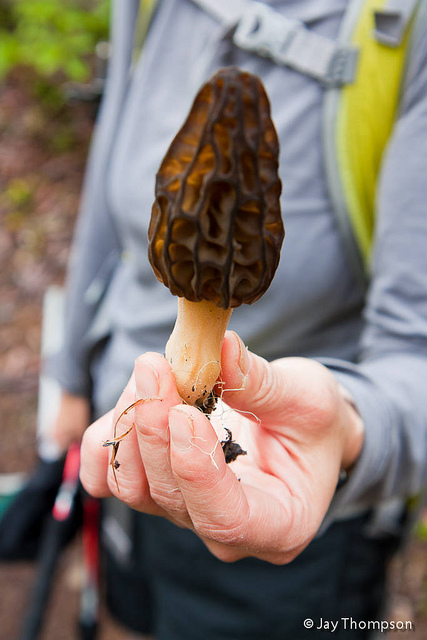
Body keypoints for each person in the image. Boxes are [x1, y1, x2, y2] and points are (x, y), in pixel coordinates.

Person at [51, 0, 427, 638]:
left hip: (282, 488)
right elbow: (102, 196)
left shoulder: (405, 26)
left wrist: (351, 426)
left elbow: (415, 345)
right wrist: (69, 376)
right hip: (123, 449)